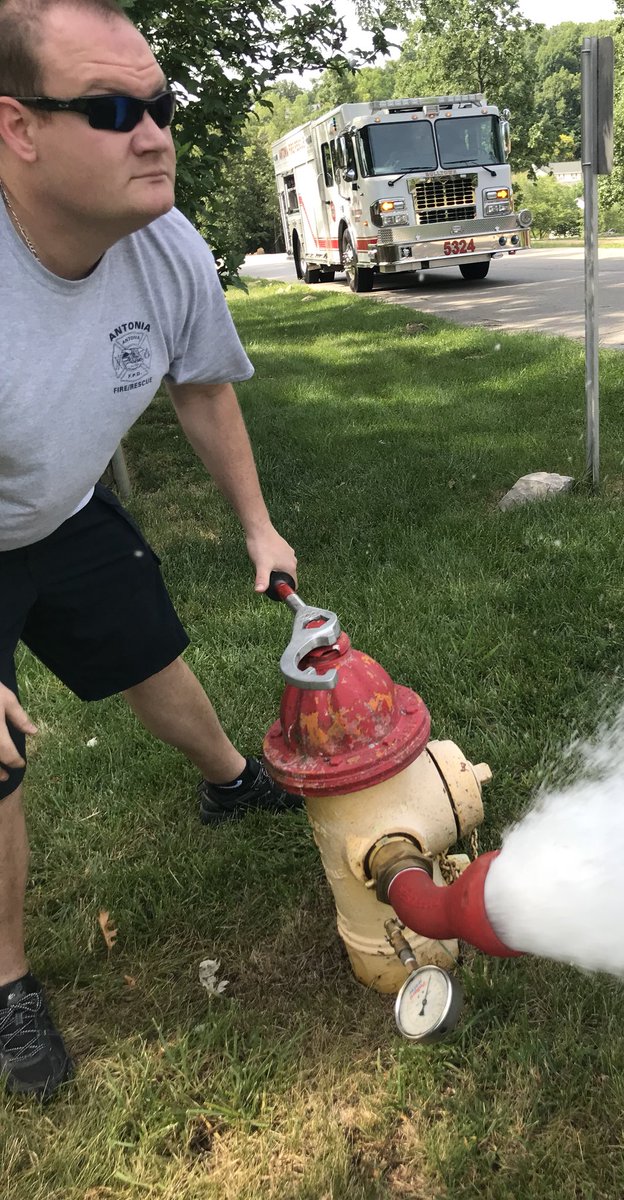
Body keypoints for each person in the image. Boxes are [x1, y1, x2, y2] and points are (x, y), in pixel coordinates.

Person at [0, 0, 301, 1100]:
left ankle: (230, 784)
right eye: (113, 108)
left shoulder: (162, 244)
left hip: (62, 507)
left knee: (150, 649)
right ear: (17, 128)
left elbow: (201, 388)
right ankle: (7, 983)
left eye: (160, 104)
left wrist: (258, 527)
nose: (155, 131)